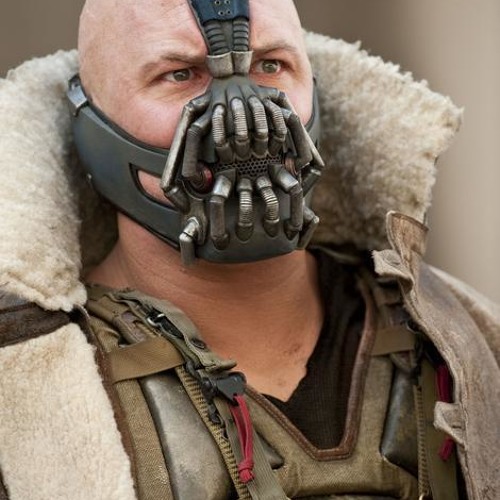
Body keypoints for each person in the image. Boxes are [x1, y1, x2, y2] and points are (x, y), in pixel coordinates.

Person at [0, 0, 499, 499]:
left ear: (315, 89)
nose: (242, 114)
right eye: (180, 74)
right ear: (87, 122)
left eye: (271, 65)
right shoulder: (22, 385)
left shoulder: (466, 341)